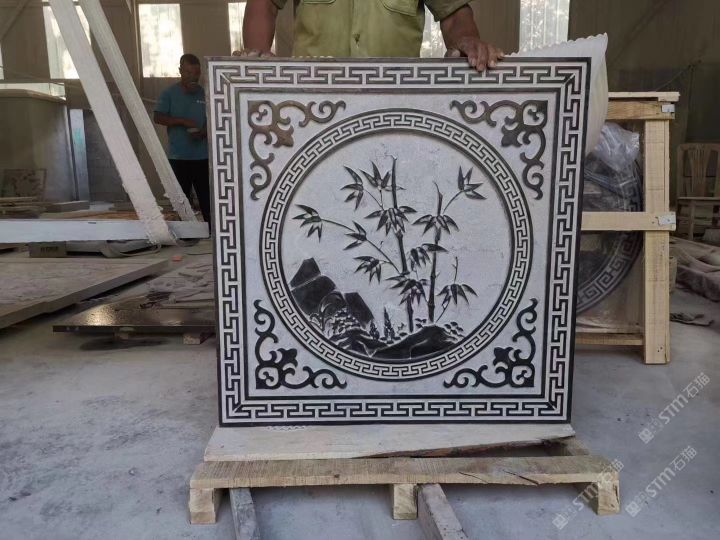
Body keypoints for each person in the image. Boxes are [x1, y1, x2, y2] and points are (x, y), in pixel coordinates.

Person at [240, 0, 503, 72]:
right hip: (312, 95)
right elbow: (263, 5)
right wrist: (257, 61)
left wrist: (466, 40)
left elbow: (454, 13)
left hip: (395, 97)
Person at [153, 53, 211, 227]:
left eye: (196, 73)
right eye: (188, 73)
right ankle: (186, 232)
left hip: (202, 157)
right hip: (178, 157)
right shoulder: (169, 94)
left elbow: (213, 120)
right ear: (180, 71)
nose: (193, 77)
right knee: (181, 198)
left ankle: (211, 230)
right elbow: (158, 117)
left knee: (206, 197)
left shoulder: (205, 94)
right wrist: (183, 122)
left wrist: (203, 132)